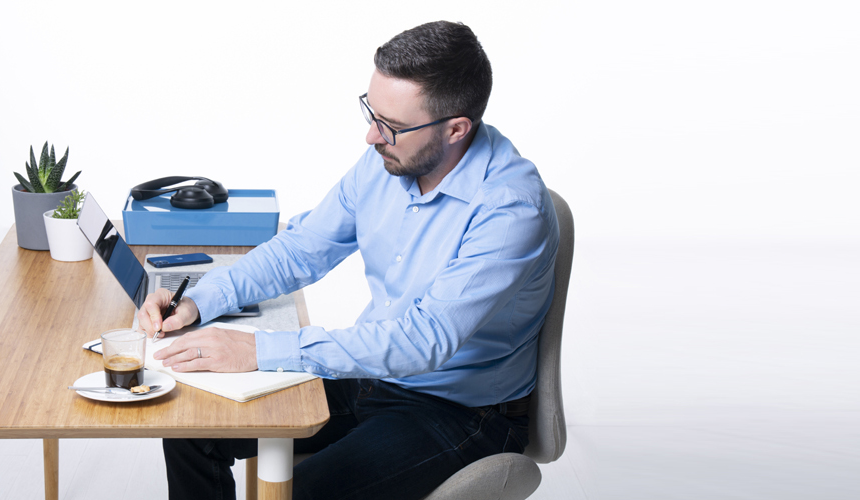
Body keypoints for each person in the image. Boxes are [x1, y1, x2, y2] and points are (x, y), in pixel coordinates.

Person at [136, 20, 559, 500]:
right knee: (192, 425)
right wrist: (200, 300)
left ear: (456, 129)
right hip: (372, 375)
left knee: (296, 495)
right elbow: (303, 247)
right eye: (371, 113)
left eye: (391, 126)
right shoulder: (391, 159)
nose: (372, 136)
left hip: (460, 410)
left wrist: (257, 351)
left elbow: (424, 341)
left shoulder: (510, 208)